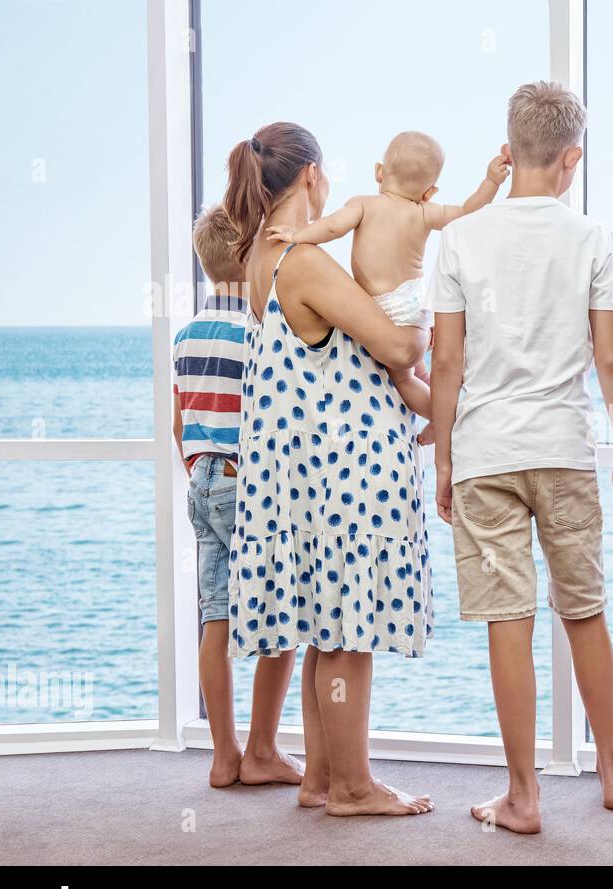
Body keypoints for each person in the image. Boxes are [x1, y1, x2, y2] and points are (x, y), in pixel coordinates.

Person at [427, 82, 613, 834]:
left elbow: (447, 361)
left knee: (507, 622)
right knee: (584, 612)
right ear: (570, 159)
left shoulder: (457, 239)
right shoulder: (593, 238)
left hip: (486, 452)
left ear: (509, 149)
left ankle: (523, 797)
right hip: (561, 447)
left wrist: (445, 461)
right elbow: (610, 357)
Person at [223, 121, 436, 816]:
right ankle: (353, 785)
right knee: (349, 633)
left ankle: (321, 777)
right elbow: (397, 349)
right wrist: (421, 313)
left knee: (328, 628)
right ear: (311, 176)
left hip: (310, 477)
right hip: (346, 470)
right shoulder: (307, 262)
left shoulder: (262, 258)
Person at [172, 204, 302, 789]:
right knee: (283, 617)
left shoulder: (186, 335)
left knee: (216, 617)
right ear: (250, 257)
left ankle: (223, 755)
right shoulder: (259, 331)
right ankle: (263, 750)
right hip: (244, 483)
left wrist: (198, 471)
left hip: (199, 479)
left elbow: (180, 425)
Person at [265, 131, 510, 419]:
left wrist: (297, 234)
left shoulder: (363, 204)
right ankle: (447, 416)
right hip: (411, 308)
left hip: (377, 307)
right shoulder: (425, 212)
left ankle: (449, 419)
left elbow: (331, 227)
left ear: (379, 172)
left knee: (404, 381)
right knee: (418, 375)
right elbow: (468, 213)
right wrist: (492, 182)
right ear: (430, 192)